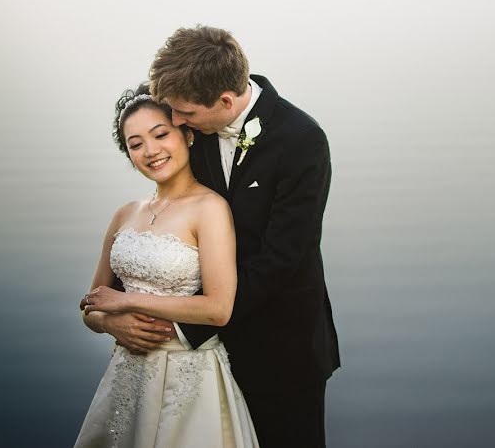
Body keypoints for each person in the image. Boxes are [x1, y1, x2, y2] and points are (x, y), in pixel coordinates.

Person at [149, 25, 340, 447]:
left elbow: (283, 260)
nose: (176, 123)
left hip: (282, 348)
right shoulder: (188, 127)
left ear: (226, 101)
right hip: (201, 355)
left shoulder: (302, 141)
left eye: (186, 114)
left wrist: (187, 325)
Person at [75, 87, 259, 447]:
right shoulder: (125, 214)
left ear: (187, 135)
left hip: (189, 379)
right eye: (136, 143)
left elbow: (218, 310)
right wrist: (110, 323)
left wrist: (127, 302)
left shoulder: (210, 208)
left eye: (161, 135)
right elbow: (92, 304)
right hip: (126, 376)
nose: (151, 151)